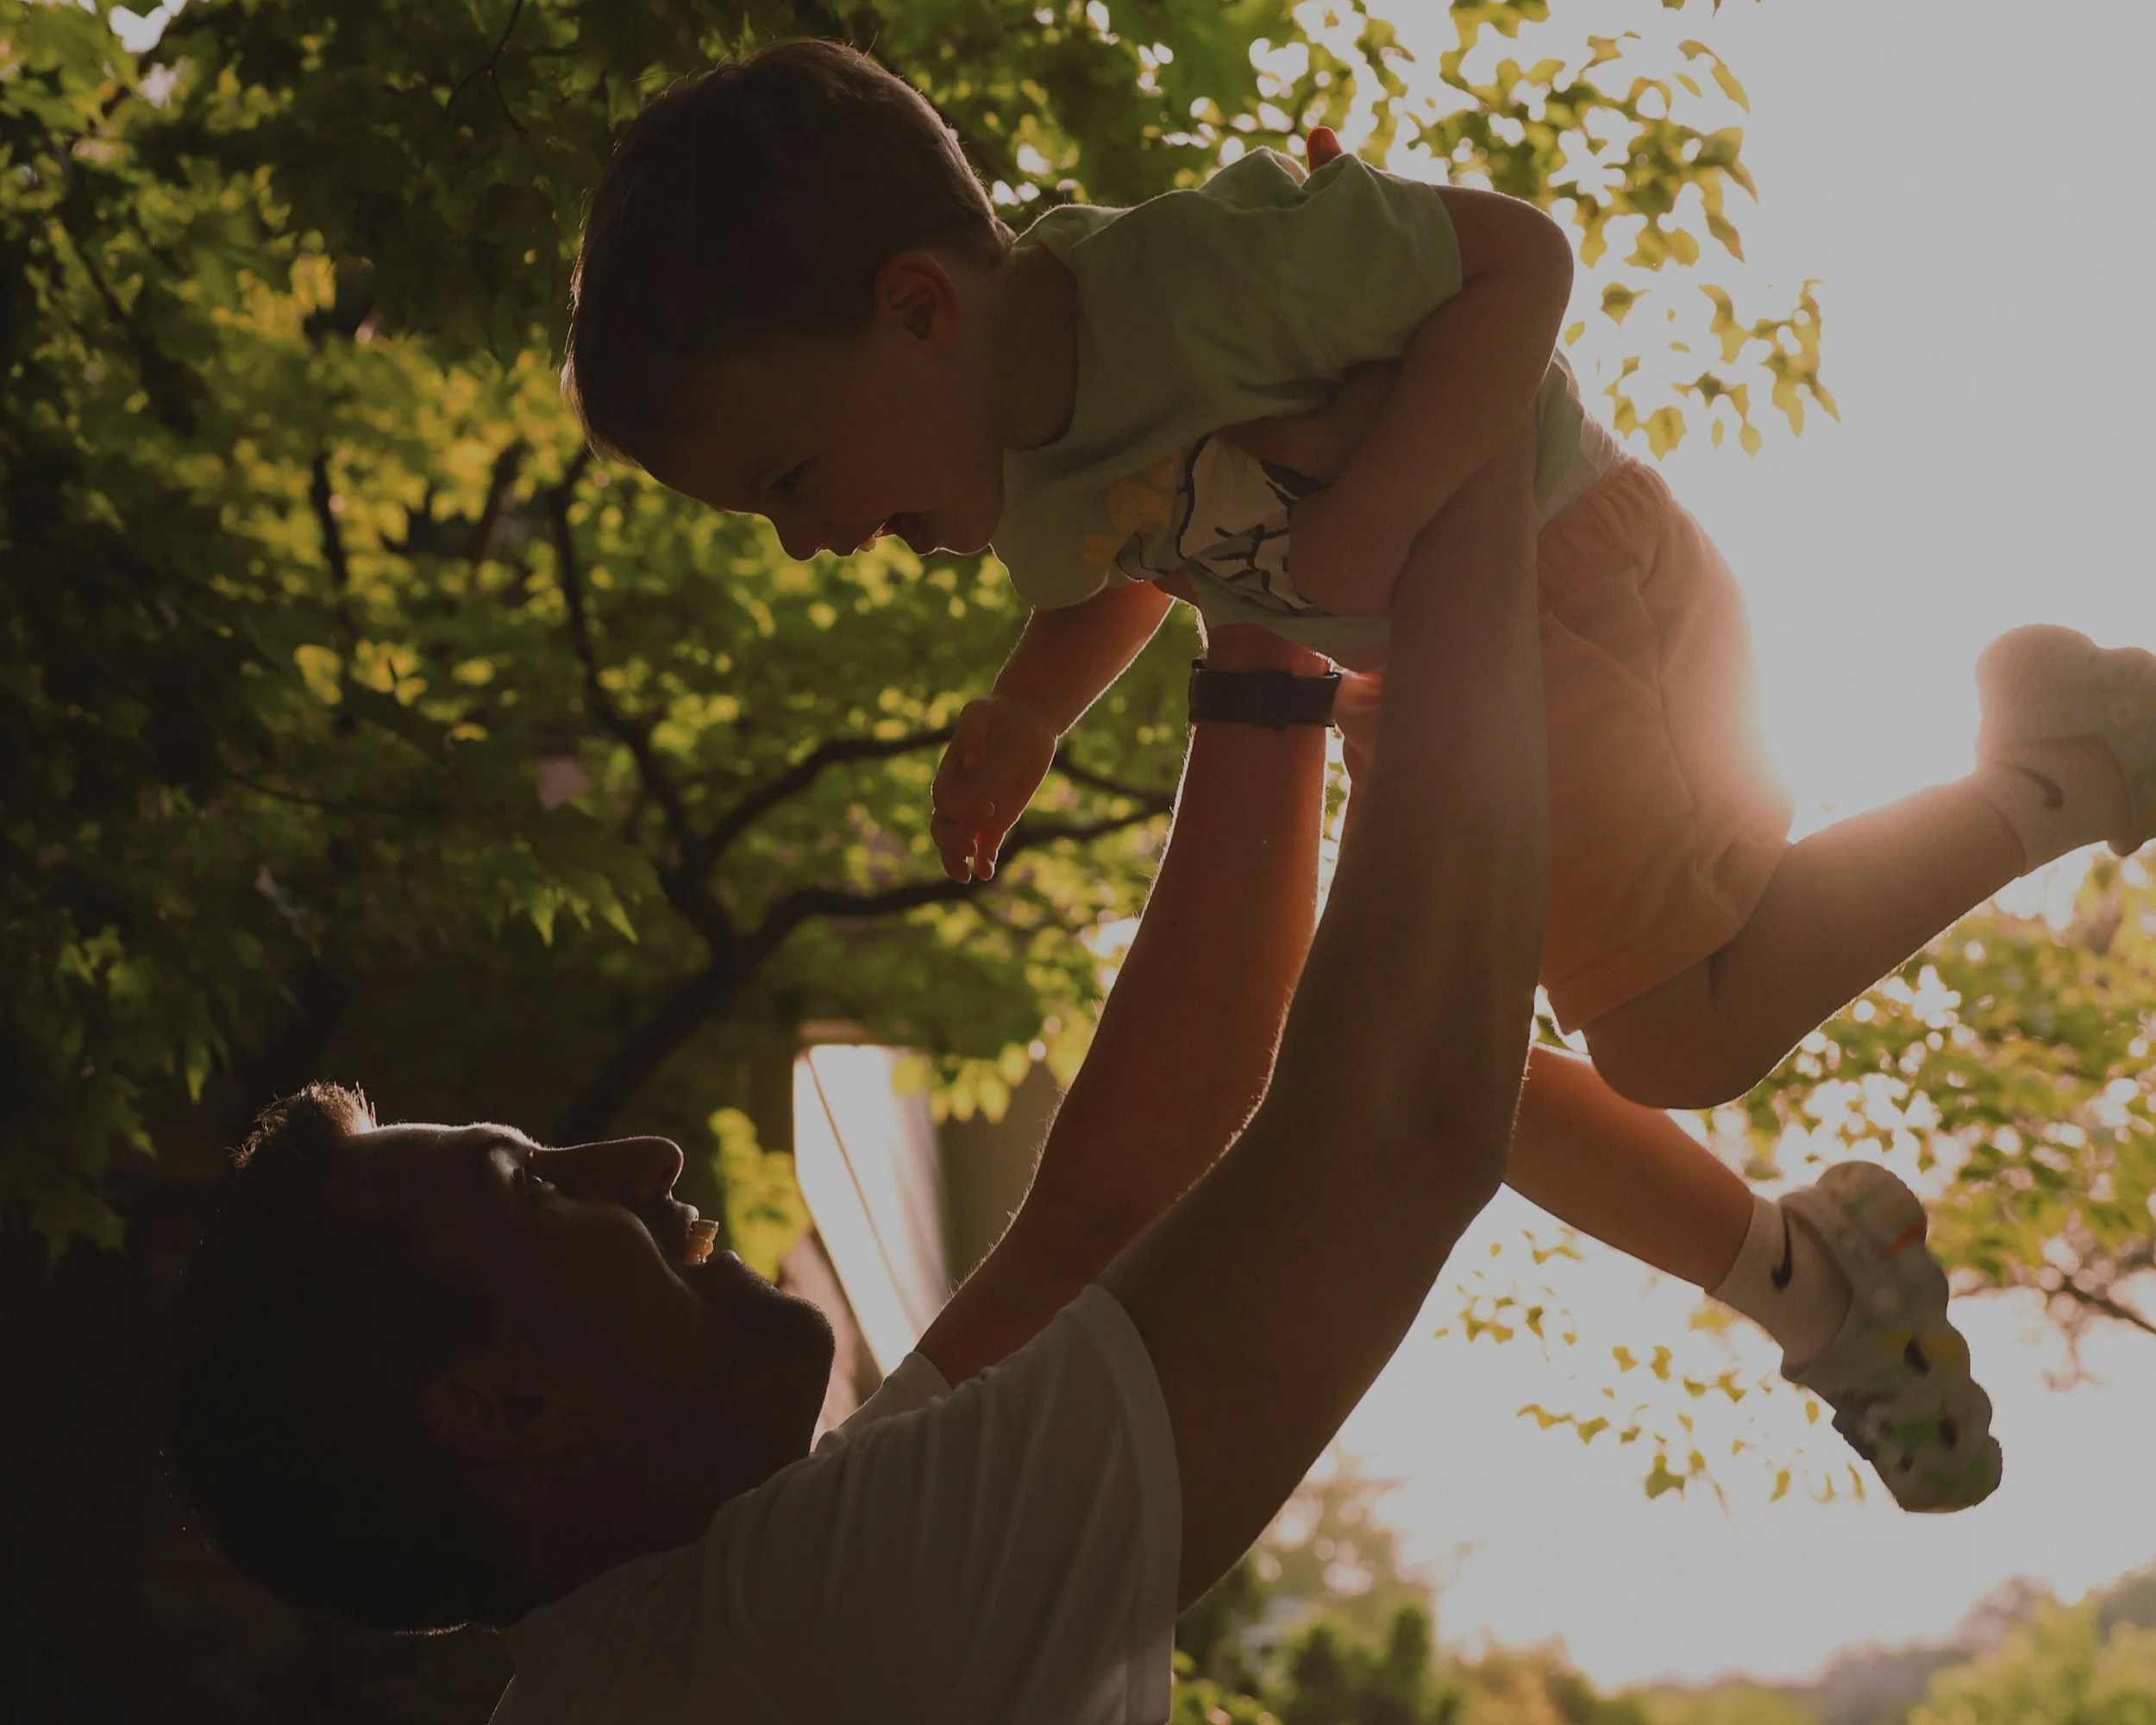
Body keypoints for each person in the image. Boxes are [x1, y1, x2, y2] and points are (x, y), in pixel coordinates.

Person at [551, 40, 2088, 1506]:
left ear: (918, 308)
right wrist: (1029, 715)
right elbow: (1124, 565)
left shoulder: (1195, 274)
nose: (807, 539)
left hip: (1562, 590)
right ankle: (1808, 1277)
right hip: (1438, 689)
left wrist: (1397, 500)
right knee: (1415, 1051)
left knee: (1677, 1042)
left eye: (789, 481)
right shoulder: (1034, 478)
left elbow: (1520, 261)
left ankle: (2045, 776)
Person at [164, 418, 1548, 1718]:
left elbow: (1104, 1215)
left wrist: (1267, 614)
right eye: (533, 1190)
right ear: (504, 1411)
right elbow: (1403, 1127)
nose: (645, 1159)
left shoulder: (698, 1641)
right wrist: (1462, 427)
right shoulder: (811, 1629)